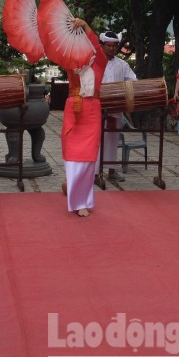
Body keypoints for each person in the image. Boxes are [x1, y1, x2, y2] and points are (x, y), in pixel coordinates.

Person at [63, 18, 108, 217]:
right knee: (73, 155)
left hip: (91, 110)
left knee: (89, 157)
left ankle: (82, 200)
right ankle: (73, 191)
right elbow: (59, 48)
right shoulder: (70, 62)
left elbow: (96, 44)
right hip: (74, 108)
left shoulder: (99, 62)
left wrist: (85, 27)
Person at [98, 31, 137, 182]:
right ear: (102, 46)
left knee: (112, 140)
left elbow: (133, 80)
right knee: (97, 141)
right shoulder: (94, 62)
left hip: (115, 109)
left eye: (114, 46)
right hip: (97, 109)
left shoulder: (122, 64)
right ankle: (96, 173)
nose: (112, 48)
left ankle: (111, 170)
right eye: (108, 45)